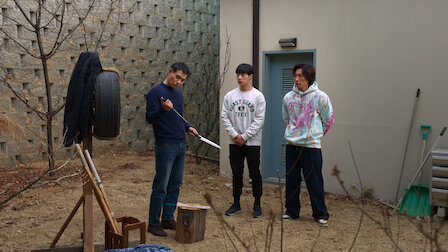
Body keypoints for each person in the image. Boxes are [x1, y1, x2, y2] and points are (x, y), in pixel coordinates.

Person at [145, 62, 198, 236]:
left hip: (180, 144)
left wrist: (188, 127)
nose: (179, 82)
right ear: (170, 72)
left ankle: (167, 218)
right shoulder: (155, 93)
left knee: (175, 184)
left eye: (182, 80)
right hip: (165, 145)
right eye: (177, 77)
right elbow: (149, 117)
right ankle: (154, 223)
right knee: (161, 185)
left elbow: (179, 118)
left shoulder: (178, 94)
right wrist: (163, 109)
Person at [281, 63, 334, 226]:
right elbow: (286, 118)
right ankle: (291, 211)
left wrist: (315, 135)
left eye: (300, 77)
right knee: (291, 179)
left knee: (314, 181)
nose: (296, 79)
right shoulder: (288, 97)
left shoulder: (320, 97)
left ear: (309, 78)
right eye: (295, 76)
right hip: (292, 145)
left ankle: (320, 213)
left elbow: (328, 120)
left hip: (311, 147)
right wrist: (295, 133)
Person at [221, 63, 266, 218]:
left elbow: (259, 120)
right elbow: (225, 117)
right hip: (234, 143)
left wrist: (245, 136)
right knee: (237, 173)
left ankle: (257, 204)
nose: (240, 78)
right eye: (238, 74)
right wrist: (235, 135)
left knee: (255, 173)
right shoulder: (230, 96)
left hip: (252, 143)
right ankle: (236, 203)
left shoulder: (258, 96)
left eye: (243, 75)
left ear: (250, 76)